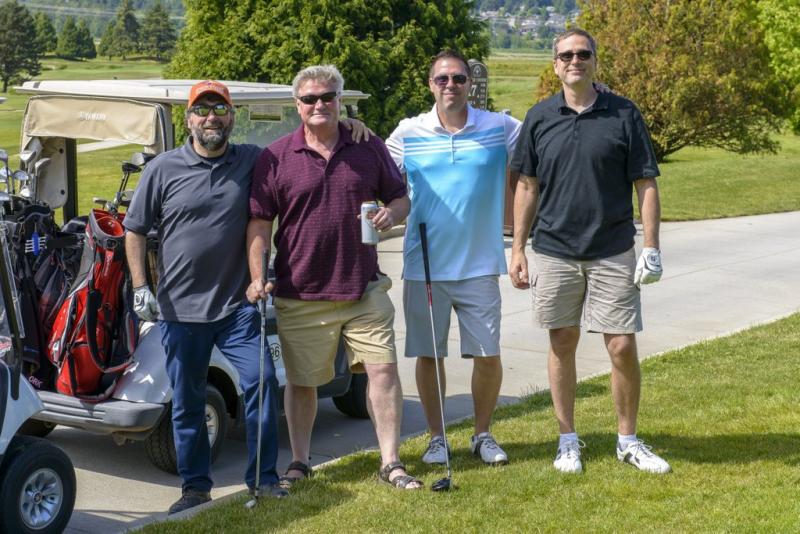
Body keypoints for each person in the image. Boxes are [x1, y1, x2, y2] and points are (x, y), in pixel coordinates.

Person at [124, 80, 370, 514]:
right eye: (202, 110)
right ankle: (195, 487)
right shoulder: (163, 169)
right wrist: (142, 286)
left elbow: (307, 138)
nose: (211, 117)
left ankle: (264, 478)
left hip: (238, 306)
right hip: (181, 311)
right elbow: (135, 230)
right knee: (187, 401)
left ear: (232, 117)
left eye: (220, 109)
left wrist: (348, 125)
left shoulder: (255, 159)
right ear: (189, 119)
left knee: (261, 384)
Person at [246, 65, 422, 490]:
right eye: (310, 99)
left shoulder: (367, 145)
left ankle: (391, 462)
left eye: (328, 97)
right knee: (302, 383)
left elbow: (400, 198)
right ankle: (300, 461)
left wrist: (391, 213)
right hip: (301, 291)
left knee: (383, 371)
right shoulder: (276, 156)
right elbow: (259, 223)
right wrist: (257, 275)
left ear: (340, 100)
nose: (319, 105)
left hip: (364, 286)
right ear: (297, 105)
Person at [509, 29, 670, 474]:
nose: (574, 61)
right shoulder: (539, 117)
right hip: (554, 250)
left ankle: (627, 440)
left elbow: (645, 182)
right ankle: (567, 441)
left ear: (595, 61)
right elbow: (526, 186)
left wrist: (651, 246)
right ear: (555, 64)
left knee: (621, 344)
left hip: (612, 249)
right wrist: (518, 248)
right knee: (562, 341)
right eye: (566, 55)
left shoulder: (624, 113)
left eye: (583, 54)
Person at [385, 50, 521, 466]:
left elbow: (545, 139)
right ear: (431, 85)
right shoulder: (408, 132)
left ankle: (482, 434)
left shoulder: (499, 127)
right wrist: (353, 126)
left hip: (480, 265)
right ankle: (437, 438)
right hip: (424, 265)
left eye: (459, 78)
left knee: (487, 354)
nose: (451, 85)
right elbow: (371, 166)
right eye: (442, 79)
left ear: (469, 84)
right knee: (429, 355)